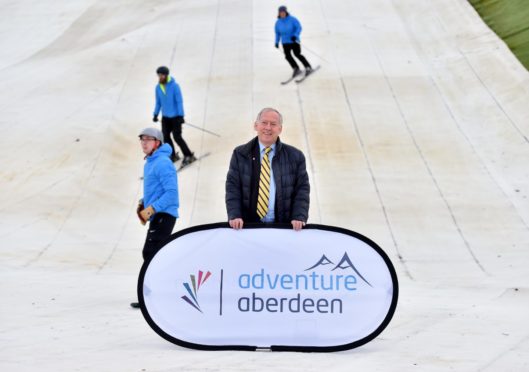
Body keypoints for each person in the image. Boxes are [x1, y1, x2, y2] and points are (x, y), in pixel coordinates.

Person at [225, 108, 310, 231]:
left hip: (283, 227)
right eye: (264, 123)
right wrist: (235, 215)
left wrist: (299, 216)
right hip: (248, 227)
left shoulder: (295, 156)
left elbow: (302, 190)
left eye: (273, 124)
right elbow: (233, 188)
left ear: (280, 129)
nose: (268, 128)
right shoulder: (240, 154)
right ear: (256, 125)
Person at [131, 127, 179, 309]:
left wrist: (152, 208)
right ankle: (159, 294)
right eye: (142, 139)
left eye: (148, 139)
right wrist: (144, 202)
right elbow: (156, 190)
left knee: (150, 253)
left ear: (157, 143)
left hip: (165, 215)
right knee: (154, 254)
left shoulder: (162, 163)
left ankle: (152, 296)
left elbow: (172, 194)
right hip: (158, 214)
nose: (144, 142)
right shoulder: (150, 162)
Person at [152, 66, 196, 166]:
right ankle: (172, 155)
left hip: (176, 117)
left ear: (166, 75)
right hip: (165, 118)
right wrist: (155, 114)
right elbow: (158, 102)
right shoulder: (158, 87)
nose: (160, 77)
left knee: (177, 137)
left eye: (162, 75)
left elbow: (179, 101)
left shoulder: (175, 86)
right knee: (166, 137)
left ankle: (188, 155)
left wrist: (181, 115)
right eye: (159, 75)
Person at [275, 6, 313, 78]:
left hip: (294, 41)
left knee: (297, 54)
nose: (282, 14)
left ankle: (308, 67)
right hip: (285, 42)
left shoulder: (292, 19)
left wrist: (295, 35)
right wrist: (276, 42)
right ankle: (296, 68)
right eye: (280, 12)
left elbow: (299, 27)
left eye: (283, 12)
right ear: (279, 13)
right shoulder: (278, 22)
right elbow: (277, 33)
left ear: (286, 12)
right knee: (287, 56)